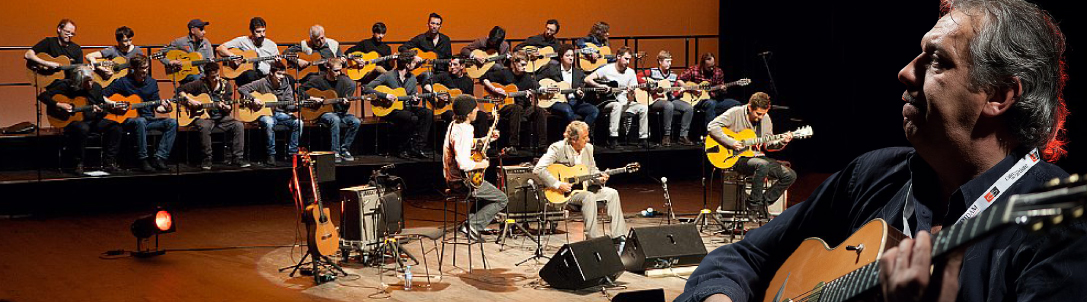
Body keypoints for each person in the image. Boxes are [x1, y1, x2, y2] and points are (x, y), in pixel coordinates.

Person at [677, 1, 1082, 301]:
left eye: (937, 61)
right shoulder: (873, 175)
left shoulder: (1063, 230)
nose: (906, 71)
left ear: (999, 95)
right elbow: (744, 256)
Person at [533, 121, 627, 239]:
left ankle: (618, 236)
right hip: (565, 193)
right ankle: (591, 240)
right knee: (589, 197)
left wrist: (600, 178)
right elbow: (539, 169)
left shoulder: (588, 148)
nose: (587, 140)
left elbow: (592, 171)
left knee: (612, 193)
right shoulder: (558, 148)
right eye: (584, 137)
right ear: (573, 140)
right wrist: (558, 184)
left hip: (585, 189)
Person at [707, 92, 796, 213]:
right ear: (750, 107)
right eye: (758, 114)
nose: (760, 117)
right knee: (762, 165)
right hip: (736, 158)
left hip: (754, 156)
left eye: (764, 114)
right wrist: (730, 142)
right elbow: (712, 126)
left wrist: (783, 141)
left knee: (790, 175)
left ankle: (761, 204)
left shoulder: (765, 118)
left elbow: (769, 146)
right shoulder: (735, 112)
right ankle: (753, 205)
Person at [442, 95, 509, 242]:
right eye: (474, 108)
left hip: (452, 178)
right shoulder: (464, 130)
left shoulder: (455, 125)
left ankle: (470, 224)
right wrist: (482, 164)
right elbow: (464, 164)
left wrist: (487, 139)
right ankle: (473, 226)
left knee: (489, 193)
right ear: (468, 113)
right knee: (502, 199)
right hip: (462, 182)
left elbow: (468, 144)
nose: (477, 110)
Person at [38, 67, 121, 175]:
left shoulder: (96, 87)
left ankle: (109, 162)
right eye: (86, 82)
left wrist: (101, 111)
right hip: (72, 122)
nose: (90, 84)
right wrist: (59, 104)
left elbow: (103, 109)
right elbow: (43, 96)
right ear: (78, 82)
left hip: (93, 120)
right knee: (83, 128)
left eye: (91, 80)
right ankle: (79, 163)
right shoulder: (66, 86)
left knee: (115, 127)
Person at [102, 54, 177, 172]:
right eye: (142, 68)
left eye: (147, 68)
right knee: (140, 121)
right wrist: (114, 104)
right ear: (134, 69)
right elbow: (102, 95)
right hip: (129, 120)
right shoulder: (123, 82)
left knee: (172, 122)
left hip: (149, 119)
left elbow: (158, 107)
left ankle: (160, 158)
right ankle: (143, 159)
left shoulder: (152, 82)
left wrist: (167, 108)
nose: (145, 71)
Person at [176, 63, 248, 170]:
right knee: (204, 127)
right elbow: (179, 90)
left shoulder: (226, 85)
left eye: (218, 75)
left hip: (220, 117)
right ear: (206, 76)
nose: (216, 79)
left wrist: (226, 107)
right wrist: (190, 101)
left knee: (238, 125)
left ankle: (238, 157)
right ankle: (207, 158)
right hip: (203, 116)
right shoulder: (200, 83)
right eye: (213, 77)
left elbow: (229, 107)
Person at [365, 51, 433, 159]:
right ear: (407, 65)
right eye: (414, 63)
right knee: (412, 118)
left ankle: (417, 147)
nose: (415, 65)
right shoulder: (387, 75)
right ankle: (402, 148)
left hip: (407, 108)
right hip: (391, 110)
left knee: (427, 113)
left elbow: (412, 98)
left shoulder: (412, 78)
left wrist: (415, 100)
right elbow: (367, 88)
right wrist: (385, 95)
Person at [584, 46, 653, 149]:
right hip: (607, 102)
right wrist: (600, 86)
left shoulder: (631, 72)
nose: (628, 62)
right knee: (617, 105)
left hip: (624, 102)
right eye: (626, 58)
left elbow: (630, 99)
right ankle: (613, 139)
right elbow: (587, 79)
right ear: (618, 57)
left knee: (643, 107)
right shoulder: (607, 69)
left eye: (629, 59)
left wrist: (631, 93)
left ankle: (643, 139)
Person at [480, 50, 548, 155]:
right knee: (515, 108)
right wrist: (494, 89)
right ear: (515, 63)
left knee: (538, 110)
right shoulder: (504, 73)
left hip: (522, 109)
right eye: (522, 64)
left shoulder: (527, 78)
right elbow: (483, 78)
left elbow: (538, 89)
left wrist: (534, 93)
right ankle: (513, 146)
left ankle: (542, 146)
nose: (525, 67)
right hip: (504, 107)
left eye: (526, 64)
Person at [238, 61, 302, 167]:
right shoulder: (262, 82)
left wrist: (296, 106)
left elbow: (288, 105)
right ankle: (271, 155)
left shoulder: (287, 85)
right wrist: (254, 99)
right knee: (269, 122)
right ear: (271, 73)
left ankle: (293, 153)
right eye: (279, 74)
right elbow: (242, 89)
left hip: (279, 113)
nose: (281, 77)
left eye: (283, 74)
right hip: (263, 114)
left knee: (298, 122)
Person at [301, 58, 359, 162]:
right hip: (322, 113)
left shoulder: (346, 82)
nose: (339, 73)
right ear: (328, 68)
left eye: (340, 70)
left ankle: (344, 149)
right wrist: (312, 98)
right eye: (336, 70)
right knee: (334, 119)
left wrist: (346, 103)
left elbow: (345, 107)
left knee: (356, 121)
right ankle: (335, 152)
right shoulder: (318, 80)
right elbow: (300, 89)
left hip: (340, 112)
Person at [538, 44, 598, 132]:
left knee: (594, 111)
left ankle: (580, 132)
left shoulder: (579, 73)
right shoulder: (552, 70)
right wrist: (543, 88)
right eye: (567, 55)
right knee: (567, 109)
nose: (571, 58)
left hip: (576, 102)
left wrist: (581, 95)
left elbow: (582, 92)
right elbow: (536, 80)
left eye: (572, 55)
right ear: (561, 57)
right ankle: (578, 134)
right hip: (558, 101)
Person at [640, 50, 694, 146]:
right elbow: (638, 77)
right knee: (668, 105)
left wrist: (680, 92)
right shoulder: (652, 71)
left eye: (670, 61)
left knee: (688, 107)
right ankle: (666, 136)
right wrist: (651, 86)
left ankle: (683, 136)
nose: (669, 63)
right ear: (660, 62)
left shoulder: (673, 76)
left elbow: (673, 94)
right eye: (667, 61)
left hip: (669, 100)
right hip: (655, 100)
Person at [676, 53, 741, 126]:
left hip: (715, 99)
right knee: (711, 103)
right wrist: (692, 89)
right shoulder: (694, 70)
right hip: (698, 100)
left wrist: (722, 90)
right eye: (709, 67)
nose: (711, 69)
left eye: (713, 66)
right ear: (703, 64)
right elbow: (679, 80)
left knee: (736, 104)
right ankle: (709, 132)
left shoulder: (718, 72)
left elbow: (721, 93)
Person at [217, 17, 279, 87]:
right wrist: (233, 56)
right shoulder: (242, 41)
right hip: (245, 77)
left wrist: (277, 63)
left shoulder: (272, 45)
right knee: (250, 74)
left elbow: (277, 66)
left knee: (289, 79)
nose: (262, 35)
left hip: (266, 77)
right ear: (252, 32)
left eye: (264, 31)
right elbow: (220, 48)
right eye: (258, 32)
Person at [25, 19, 82, 84]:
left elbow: (79, 69)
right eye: (67, 32)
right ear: (59, 29)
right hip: (50, 81)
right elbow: (28, 54)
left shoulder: (77, 49)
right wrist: (47, 63)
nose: (69, 35)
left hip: (68, 82)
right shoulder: (49, 42)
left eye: (72, 34)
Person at [162, 19, 213, 85]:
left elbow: (211, 60)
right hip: (188, 76)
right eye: (201, 29)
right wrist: (169, 62)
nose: (204, 32)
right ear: (192, 31)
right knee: (196, 78)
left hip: (204, 76)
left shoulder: (206, 43)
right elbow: (160, 54)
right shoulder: (180, 42)